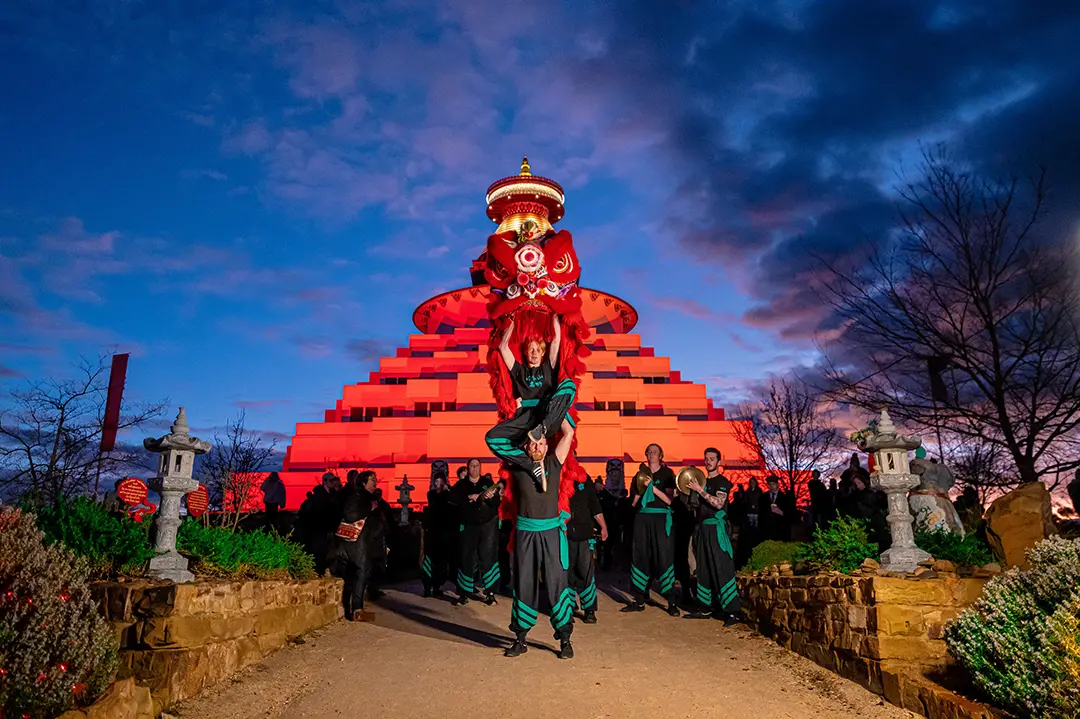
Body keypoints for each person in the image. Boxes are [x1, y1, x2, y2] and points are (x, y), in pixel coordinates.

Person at [504, 420, 577, 659]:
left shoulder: (554, 462)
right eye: (533, 443)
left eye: (541, 442)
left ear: (547, 447)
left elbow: (569, 432)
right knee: (524, 583)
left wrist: (558, 405)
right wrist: (520, 413)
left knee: (557, 583)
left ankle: (565, 638)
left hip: (550, 533)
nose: (537, 446)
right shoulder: (518, 465)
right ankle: (520, 638)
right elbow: (502, 439)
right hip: (526, 533)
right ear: (526, 447)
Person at [485, 316, 577, 481]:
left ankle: (542, 427)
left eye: (538, 349)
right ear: (526, 352)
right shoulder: (519, 370)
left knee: (569, 385)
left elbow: (556, 341)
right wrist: (512, 324)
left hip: (546, 417)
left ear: (543, 353)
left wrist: (554, 317)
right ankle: (529, 464)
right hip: (525, 418)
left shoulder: (548, 368)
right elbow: (503, 347)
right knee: (491, 438)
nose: (534, 352)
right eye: (531, 349)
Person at [621, 443, 679, 616]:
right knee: (640, 555)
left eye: (655, 452)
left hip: (661, 518)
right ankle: (639, 599)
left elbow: (669, 500)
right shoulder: (639, 475)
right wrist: (640, 490)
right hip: (642, 518)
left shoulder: (667, 474)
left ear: (661, 455)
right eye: (649, 451)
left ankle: (671, 602)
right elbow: (633, 503)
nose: (652, 454)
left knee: (664, 556)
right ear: (646, 454)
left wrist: (651, 487)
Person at [684, 448, 740, 625]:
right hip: (702, 529)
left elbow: (718, 503)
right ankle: (705, 607)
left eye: (712, 459)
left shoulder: (722, 482)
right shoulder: (701, 481)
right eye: (706, 458)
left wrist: (699, 490)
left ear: (719, 462)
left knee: (721, 567)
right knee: (704, 569)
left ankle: (732, 612)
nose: (708, 461)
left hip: (717, 529)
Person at [330, 470, 379, 622]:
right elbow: (351, 515)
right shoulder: (360, 498)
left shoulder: (363, 497)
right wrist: (370, 508)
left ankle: (353, 608)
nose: (375, 483)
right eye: (372, 480)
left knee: (356, 574)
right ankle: (357, 610)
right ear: (363, 483)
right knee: (361, 572)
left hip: (357, 542)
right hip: (356, 543)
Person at [451, 458, 501, 605]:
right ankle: (463, 593)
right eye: (472, 466)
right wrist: (468, 498)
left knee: (488, 557)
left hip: (487, 526)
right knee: (466, 558)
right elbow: (453, 499)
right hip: (468, 526)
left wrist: (491, 498)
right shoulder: (461, 485)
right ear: (468, 468)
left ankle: (490, 593)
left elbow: (497, 502)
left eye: (477, 466)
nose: (475, 468)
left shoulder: (487, 483)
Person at [567, 473, 608, 624]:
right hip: (564, 533)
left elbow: (594, 505)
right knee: (566, 572)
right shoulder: (556, 476)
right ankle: (568, 607)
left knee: (586, 571)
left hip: (584, 533)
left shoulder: (584, 478)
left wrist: (603, 527)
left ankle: (589, 609)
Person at [296, 472, 343, 575]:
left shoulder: (330, 495)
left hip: (327, 528)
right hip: (319, 529)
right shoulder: (320, 497)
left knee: (327, 552)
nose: (333, 483)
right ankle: (318, 571)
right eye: (331, 481)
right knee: (319, 552)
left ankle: (322, 570)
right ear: (325, 481)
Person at [422, 462, 455, 598]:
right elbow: (435, 506)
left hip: (444, 532)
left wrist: (448, 491)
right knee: (429, 560)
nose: (438, 483)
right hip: (432, 532)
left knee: (441, 562)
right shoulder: (431, 494)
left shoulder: (449, 494)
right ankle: (427, 587)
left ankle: (436, 587)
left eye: (441, 480)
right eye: (436, 481)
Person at [758, 475, 795, 542]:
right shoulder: (763, 498)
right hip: (767, 532)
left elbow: (791, 514)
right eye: (769, 484)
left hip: (780, 532)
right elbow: (760, 514)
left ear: (777, 484)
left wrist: (781, 512)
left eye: (773, 484)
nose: (771, 486)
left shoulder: (785, 498)